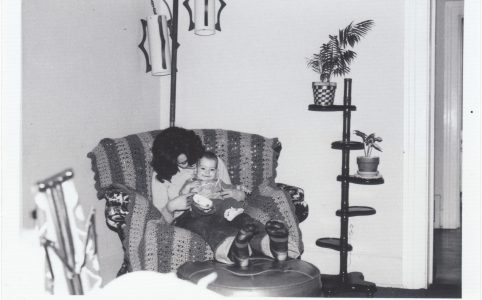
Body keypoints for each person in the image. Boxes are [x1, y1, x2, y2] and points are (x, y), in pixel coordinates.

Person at [151, 127, 289, 267]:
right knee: (205, 225)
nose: (190, 166)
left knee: (242, 221)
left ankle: (271, 244)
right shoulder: (161, 176)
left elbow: (226, 193)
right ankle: (231, 250)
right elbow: (158, 221)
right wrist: (171, 207)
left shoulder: (211, 162)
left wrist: (238, 195)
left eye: (192, 159)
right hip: (188, 217)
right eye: (182, 163)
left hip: (218, 208)